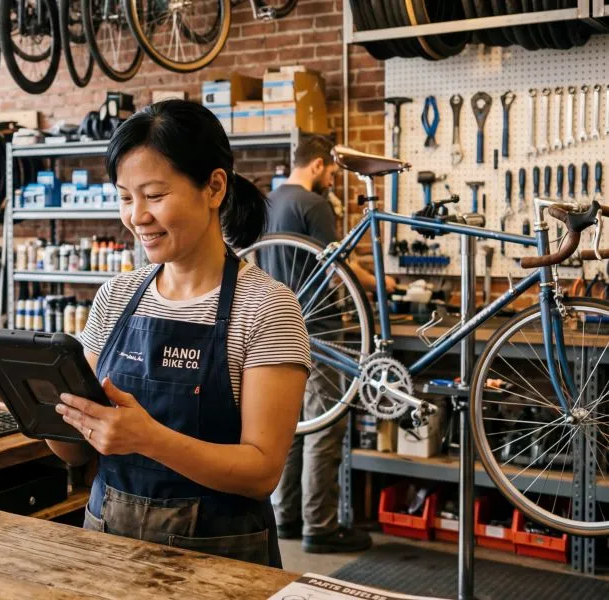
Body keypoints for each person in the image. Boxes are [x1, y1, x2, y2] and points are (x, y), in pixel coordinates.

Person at [47, 99, 312, 568]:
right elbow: (72, 453)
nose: (136, 216)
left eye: (154, 195)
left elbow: (261, 471)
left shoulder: (268, 307)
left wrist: (148, 438)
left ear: (213, 187)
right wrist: (42, 405)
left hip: (222, 561)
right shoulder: (115, 297)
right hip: (108, 549)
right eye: (126, 197)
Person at [265, 135, 395, 554]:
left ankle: (284, 517)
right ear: (319, 165)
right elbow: (337, 269)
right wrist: (386, 284)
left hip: (278, 328)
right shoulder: (314, 205)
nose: (332, 181)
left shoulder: (269, 202)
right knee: (325, 424)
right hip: (319, 329)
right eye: (333, 172)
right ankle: (319, 527)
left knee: (291, 425)